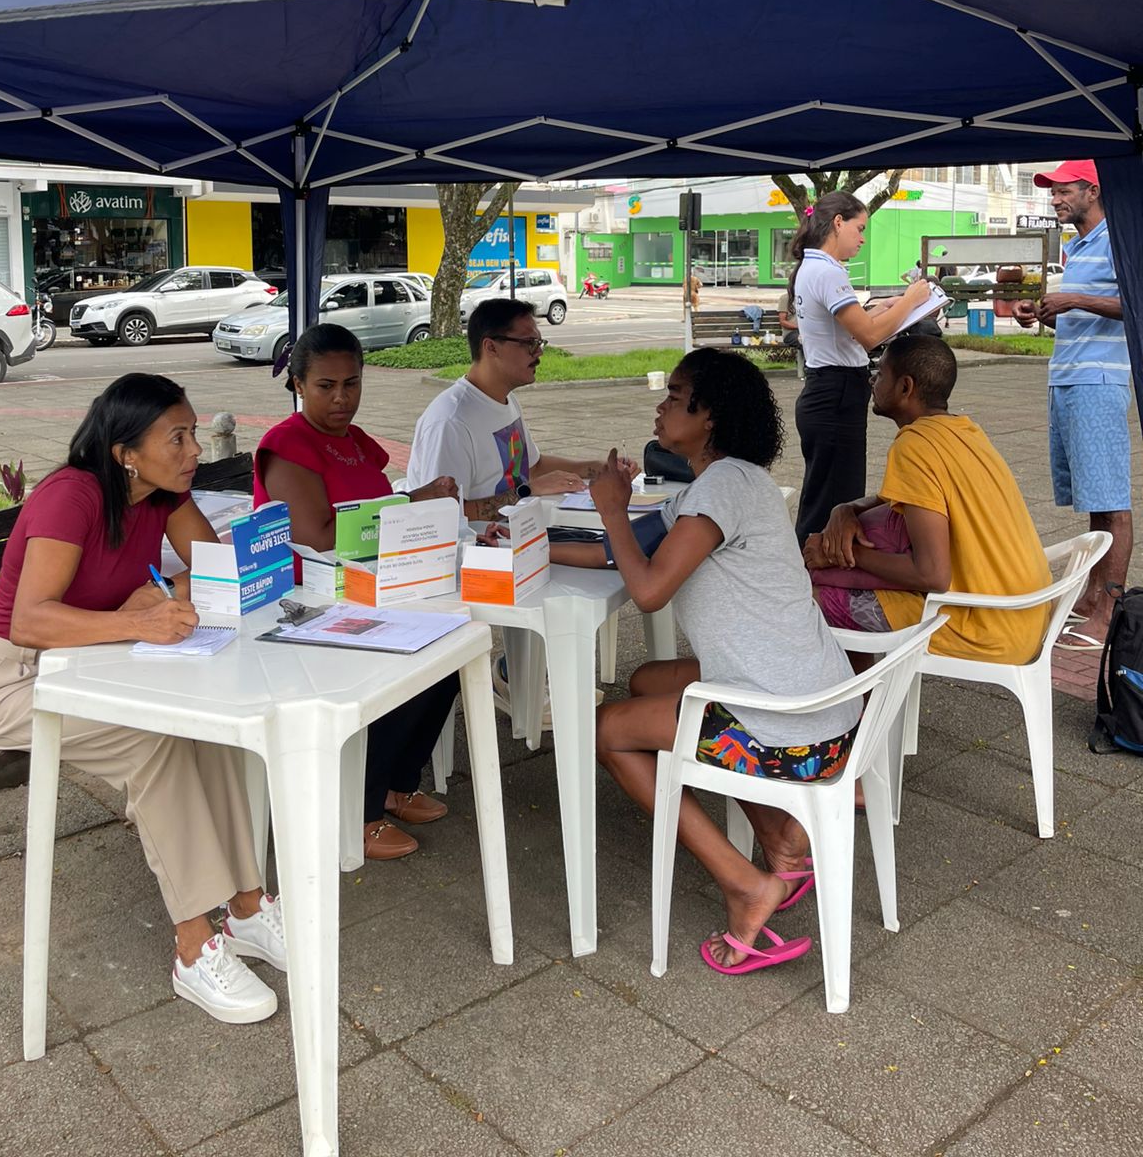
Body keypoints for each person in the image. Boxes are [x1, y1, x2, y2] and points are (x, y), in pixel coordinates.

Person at [0, 374, 286, 1025]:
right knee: (151, 740)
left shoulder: (164, 494)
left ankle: (248, 908)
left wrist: (161, 595)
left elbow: (212, 569)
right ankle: (194, 947)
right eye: (177, 438)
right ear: (125, 452)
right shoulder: (71, 497)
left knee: (208, 722)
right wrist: (136, 620)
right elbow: (29, 620)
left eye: (193, 434)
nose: (194, 450)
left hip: (92, 659)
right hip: (12, 682)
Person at [557, 349, 862, 976]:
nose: (661, 406)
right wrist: (530, 546)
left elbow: (648, 590)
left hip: (788, 731)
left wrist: (611, 507)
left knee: (605, 731)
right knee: (647, 680)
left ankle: (745, 884)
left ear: (710, 416)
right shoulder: (729, 481)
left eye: (675, 396)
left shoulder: (717, 490)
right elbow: (623, 552)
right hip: (823, 703)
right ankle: (781, 843)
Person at [255, 322, 460, 861]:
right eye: (326, 386)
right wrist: (410, 503)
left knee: (450, 658)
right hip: (307, 603)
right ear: (298, 384)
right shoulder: (287, 446)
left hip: (370, 588)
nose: (341, 398)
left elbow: (372, 511)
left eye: (352, 383)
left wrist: (420, 500)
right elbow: (318, 538)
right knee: (397, 671)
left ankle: (397, 785)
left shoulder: (355, 441)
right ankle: (359, 813)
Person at [806, 336, 1053, 662]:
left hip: (984, 627)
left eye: (881, 373)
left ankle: (860, 695)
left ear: (905, 387)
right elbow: (889, 499)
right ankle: (868, 695)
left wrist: (841, 555)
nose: (872, 379)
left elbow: (932, 574)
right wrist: (845, 509)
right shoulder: (965, 431)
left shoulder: (914, 447)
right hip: (1026, 616)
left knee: (813, 599)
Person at [1013, 161, 1132, 638]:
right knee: (1093, 496)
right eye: (1052, 192)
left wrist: (1075, 300)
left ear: (1093, 191)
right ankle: (1092, 593)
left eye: (1064, 191)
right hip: (1066, 379)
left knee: (1113, 500)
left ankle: (1111, 608)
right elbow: (1081, 315)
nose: (1055, 200)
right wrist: (1042, 314)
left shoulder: (1119, 238)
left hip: (1098, 380)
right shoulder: (1077, 246)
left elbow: (1134, 305)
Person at [788, 191, 931, 547]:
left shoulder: (815, 266)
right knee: (833, 507)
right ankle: (811, 572)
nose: (863, 238)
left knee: (825, 498)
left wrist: (887, 307)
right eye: (860, 228)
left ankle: (809, 570)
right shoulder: (827, 271)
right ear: (838, 222)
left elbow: (853, 326)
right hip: (835, 392)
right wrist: (910, 300)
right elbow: (868, 336)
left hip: (828, 390)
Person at [407, 298, 631, 522]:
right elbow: (441, 513)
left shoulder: (505, 399)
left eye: (539, 343)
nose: (539, 353)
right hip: (480, 542)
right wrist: (527, 490)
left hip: (521, 529)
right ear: (491, 347)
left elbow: (533, 466)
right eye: (529, 343)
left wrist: (598, 468)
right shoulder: (451, 421)